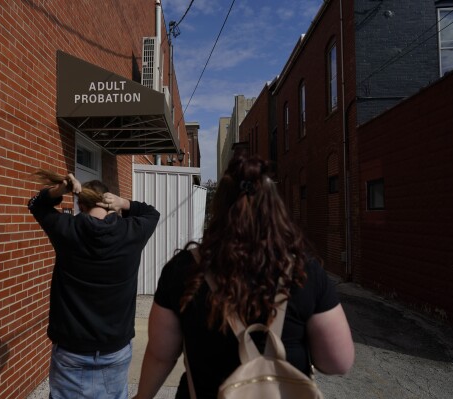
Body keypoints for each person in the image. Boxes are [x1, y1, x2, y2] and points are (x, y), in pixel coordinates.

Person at [134, 155, 354, 399]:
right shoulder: (305, 271)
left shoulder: (184, 269)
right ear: (275, 208)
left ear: (219, 206)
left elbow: (161, 354)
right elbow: (337, 362)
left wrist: (141, 396)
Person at [28, 170, 160, 399]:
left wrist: (60, 190)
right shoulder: (131, 232)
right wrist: (123, 202)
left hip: (71, 351)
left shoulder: (67, 229)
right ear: (110, 204)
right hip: (115, 350)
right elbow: (152, 213)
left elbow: (36, 205)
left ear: (81, 204)